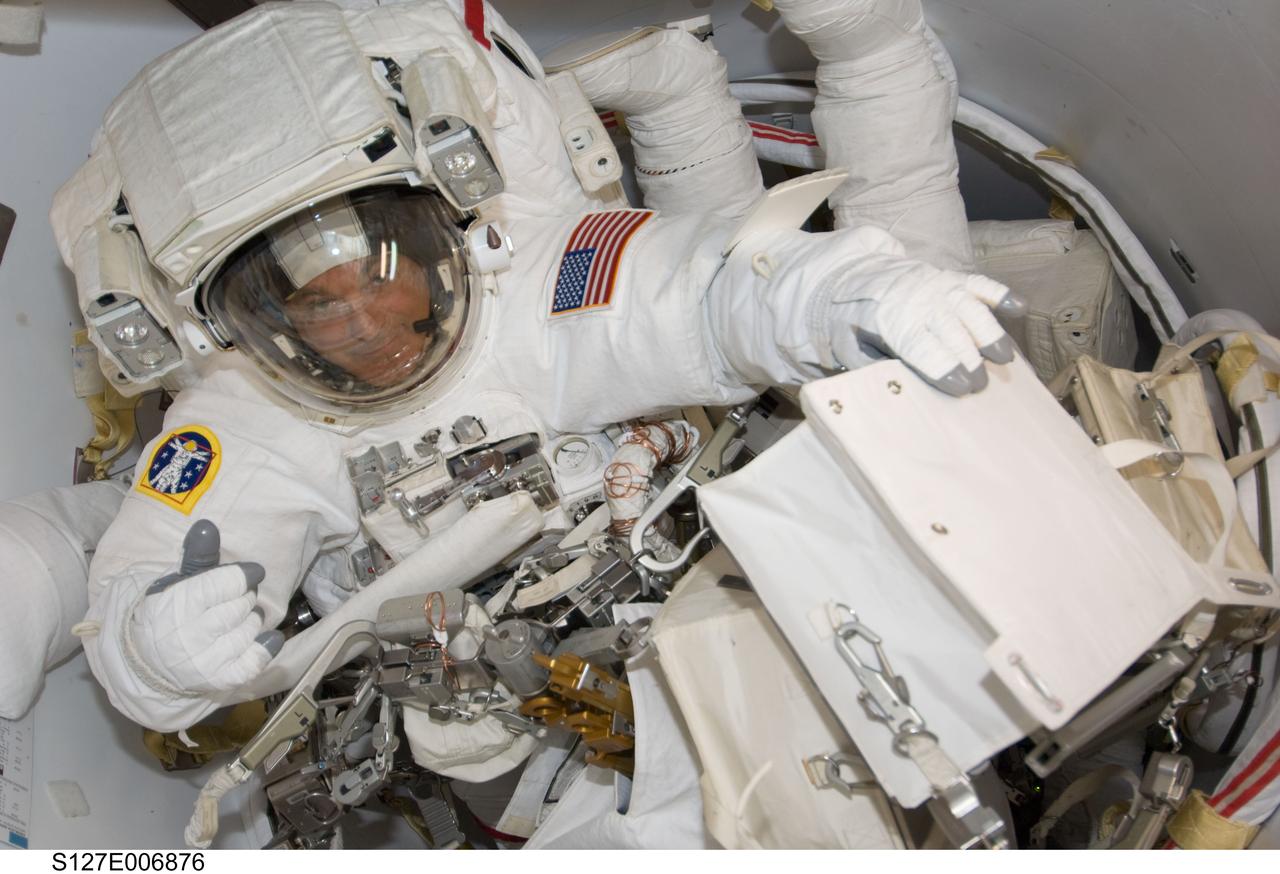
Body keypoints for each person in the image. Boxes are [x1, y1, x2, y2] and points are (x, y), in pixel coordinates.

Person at [53, 0, 1015, 758]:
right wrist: (154, 653)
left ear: (442, 228)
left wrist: (852, 294)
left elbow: (722, 286)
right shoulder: (246, 414)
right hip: (505, 702)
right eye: (316, 310)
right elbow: (140, 594)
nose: (368, 328)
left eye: (380, 275)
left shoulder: (533, 282)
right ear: (241, 324)